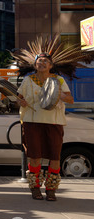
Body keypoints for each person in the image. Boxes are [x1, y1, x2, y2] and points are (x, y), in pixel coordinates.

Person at [17, 53, 73, 201]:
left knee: (54, 157)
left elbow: (70, 99)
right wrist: (20, 102)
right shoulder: (28, 80)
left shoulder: (58, 80)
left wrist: (58, 94)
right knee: (35, 157)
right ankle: (35, 188)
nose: (42, 63)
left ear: (51, 65)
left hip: (54, 122)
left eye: (45, 61)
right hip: (32, 122)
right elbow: (19, 98)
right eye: (39, 61)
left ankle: (51, 189)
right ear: (35, 64)